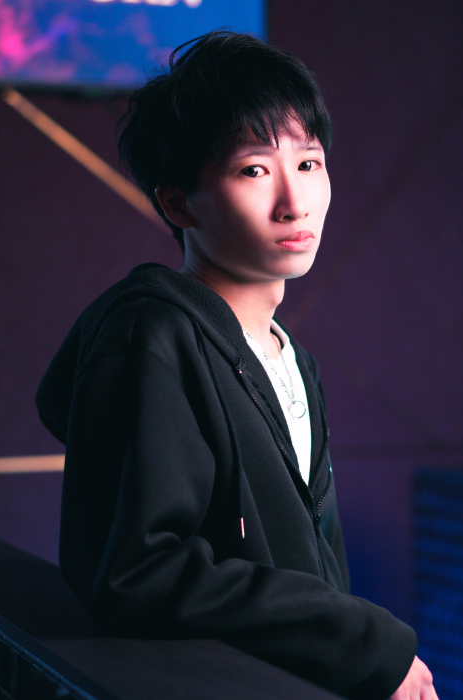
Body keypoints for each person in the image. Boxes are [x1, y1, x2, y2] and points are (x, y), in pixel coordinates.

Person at [36, 30, 438, 700]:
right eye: (254, 170)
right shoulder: (153, 334)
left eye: (308, 163)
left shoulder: (292, 358)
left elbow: (314, 566)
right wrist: (367, 643)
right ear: (178, 202)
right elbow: (137, 572)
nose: (294, 201)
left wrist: (357, 663)